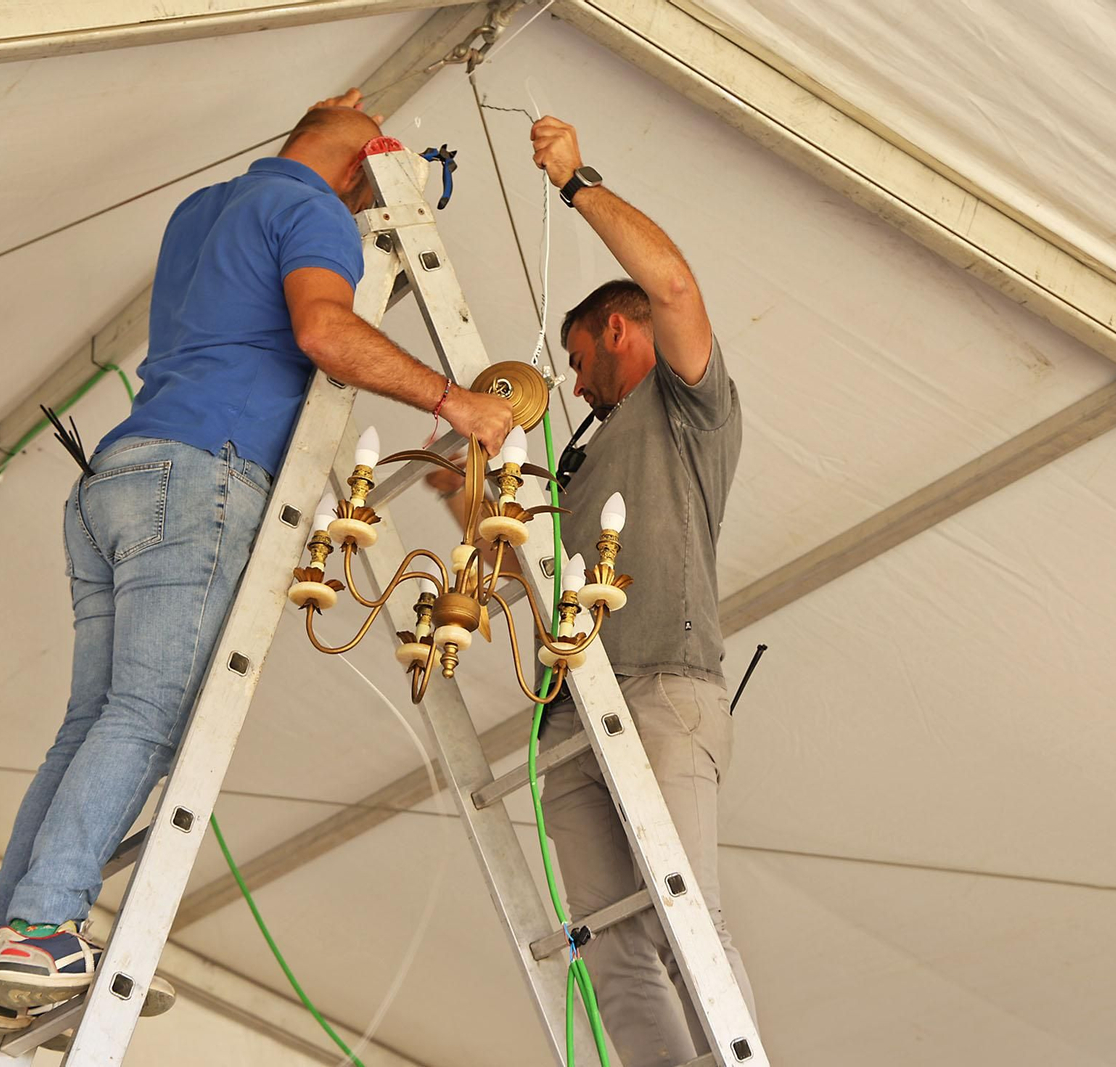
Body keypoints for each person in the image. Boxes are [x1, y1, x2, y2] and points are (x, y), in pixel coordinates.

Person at [0, 88, 514, 1038]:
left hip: (119, 475)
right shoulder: (312, 212)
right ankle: (41, 930)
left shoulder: (203, 210)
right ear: (362, 170)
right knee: (147, 715)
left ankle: (6, 944)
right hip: (200, 478)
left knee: (92, 722)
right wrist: (455, 401)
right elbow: (323, 332)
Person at [428, 115, 754, 1065]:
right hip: (573, 707)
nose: (572, 384)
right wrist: (463, 493)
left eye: (576, 358)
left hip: (661, 684)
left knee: (683, 917)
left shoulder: (685, 407)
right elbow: (523, 578)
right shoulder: (585, 460)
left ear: (618, 328)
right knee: (610, 946)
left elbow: (675, 286)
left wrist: (576, 183)